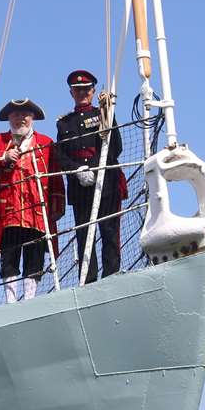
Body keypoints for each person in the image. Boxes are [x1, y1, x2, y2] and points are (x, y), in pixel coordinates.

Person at [0, 99, 64, 302]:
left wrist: (57, 205)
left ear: (32, 118)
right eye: (15, 114)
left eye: (25, 114)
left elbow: (56, 176)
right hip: (9, 211)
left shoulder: (46, 142)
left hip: (37, 210)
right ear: (9, 118)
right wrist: (4, 156)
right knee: (10, 255)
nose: (20, 118)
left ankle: (30, 298)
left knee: (35, 254)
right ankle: (11, 300)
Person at [54, 69, 124, 285]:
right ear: (71, 93)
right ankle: (88, 278)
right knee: (85, 234)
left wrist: (93, 168)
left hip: (106, 183)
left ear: (93, 91)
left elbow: (115, 147)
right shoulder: (64, 123)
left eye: (86, 89)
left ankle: (111, 275)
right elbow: (60, 154)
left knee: (109, 229)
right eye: (78, 90)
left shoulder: (105, 114)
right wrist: (77, 171)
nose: (82, 93)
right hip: (80, 186)